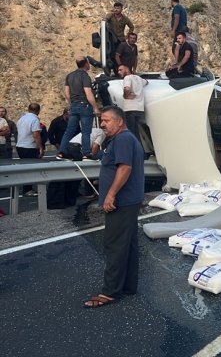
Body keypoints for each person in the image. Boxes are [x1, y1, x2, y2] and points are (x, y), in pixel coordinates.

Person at [83, 106, 144, 308]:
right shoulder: (121, 139)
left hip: (123, 200)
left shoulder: (124, 139)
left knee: (115, 245)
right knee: (127, 244)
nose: (102, 124)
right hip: (128, 200)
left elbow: (125, 167)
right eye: (102, 120)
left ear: (119, 121)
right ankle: (128, 286)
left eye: (106, 120)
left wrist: (110, 194)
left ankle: (109, 292)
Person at [58, 56, 100, 160]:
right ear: (86, 64)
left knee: (69, 130)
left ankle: (61, 152)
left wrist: (71, 103)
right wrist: (95, 107)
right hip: (85, 106)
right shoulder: (85, 76)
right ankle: (86, 153)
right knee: (86, 131)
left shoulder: (70, 76)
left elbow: (67, 93)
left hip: (74, 106)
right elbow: (88, 93)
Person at [16, 103, 44, 195]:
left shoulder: (21, 119)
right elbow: (36, 134)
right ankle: (28, 190)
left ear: (28, 109)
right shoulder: (34, 119)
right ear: (38, 111)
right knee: (30, 169)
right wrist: (40, 147)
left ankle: (27, 188)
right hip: (29, 147)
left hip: (20, 145)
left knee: (25, 168)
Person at [118, 64, 148, 142]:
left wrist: (126, 95)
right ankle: (140, 152)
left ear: (127, 70)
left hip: (130, 109)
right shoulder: (139, 78)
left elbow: (127, 88)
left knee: (131, 133)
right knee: (137, 133)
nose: (119, 72)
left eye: (121, 70)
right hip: (139, 109)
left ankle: (134, 152)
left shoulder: (127, 78)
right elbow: (147, 82)